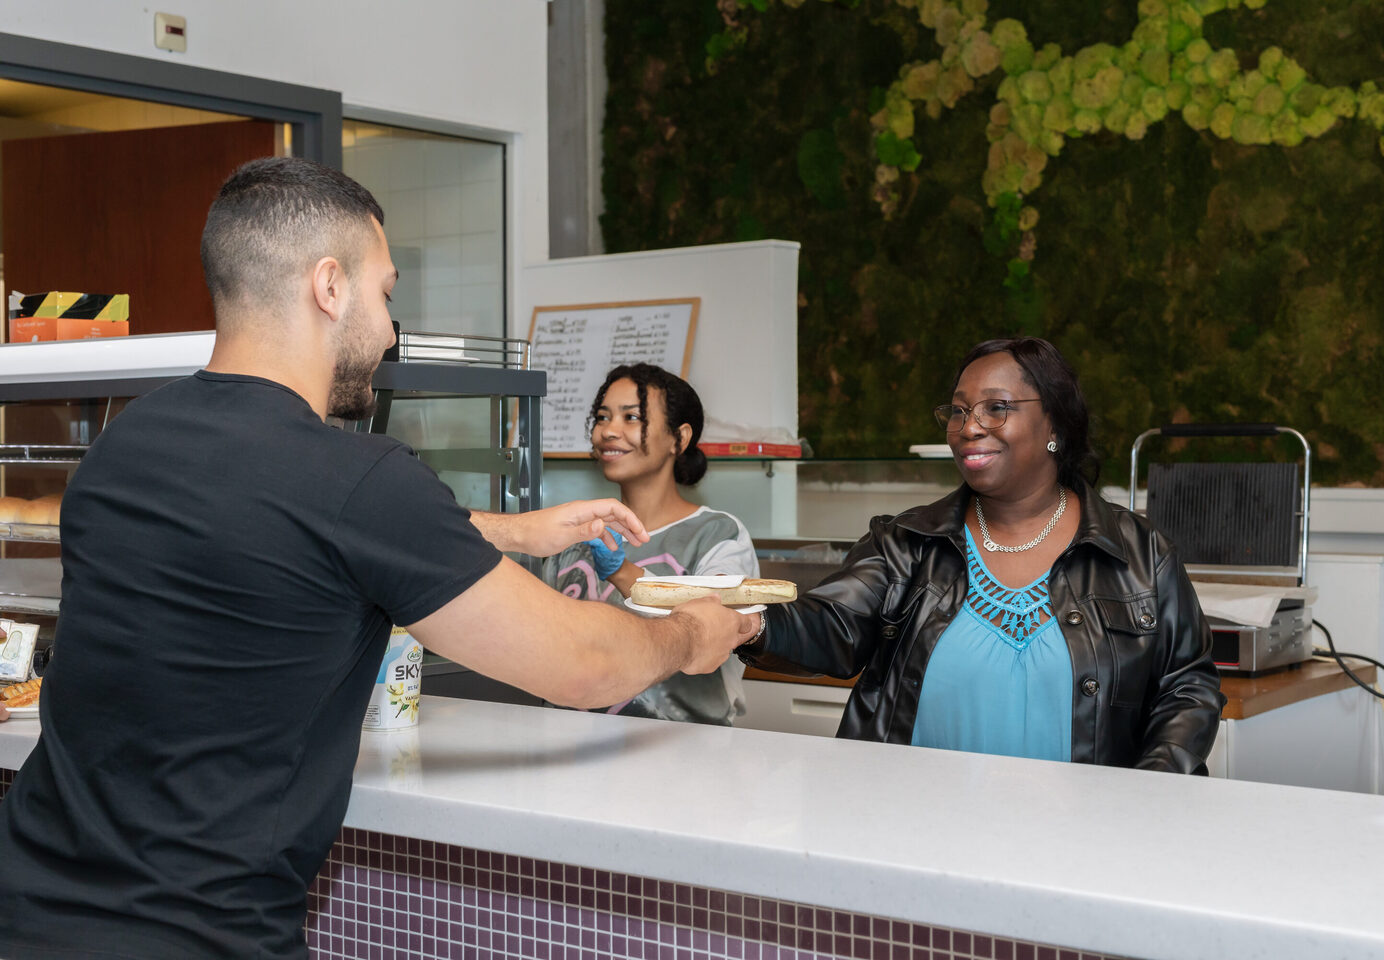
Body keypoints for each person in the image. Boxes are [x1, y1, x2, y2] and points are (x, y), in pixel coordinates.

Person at [0, 157, 759, 960]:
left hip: (28, 908)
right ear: (330, 286)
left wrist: (515, 532)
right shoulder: (356, 479)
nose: (391, 329)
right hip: (196, 937)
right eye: (386, 292)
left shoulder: (124, 446)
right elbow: (582, 666)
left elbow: (289, 529)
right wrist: (690, 635)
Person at [738, 337, 1223, 772]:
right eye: (958, 411)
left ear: (1054, 422)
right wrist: (749, 623)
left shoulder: (1140, 553)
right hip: (911, 823)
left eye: (996, 408)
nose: (968, 427)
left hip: (1079, 834)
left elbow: (1188, 688)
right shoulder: (906, 542)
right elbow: (831, 626)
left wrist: (1147, 791)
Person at [545, 363, 759, 724]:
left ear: (679, 438)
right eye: (602, 417)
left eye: (631, 417)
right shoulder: (574, 537)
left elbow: (716, 622)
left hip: (685, 750)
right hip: (567, 745)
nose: (609, 431)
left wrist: (621, 571)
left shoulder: (718, 534)